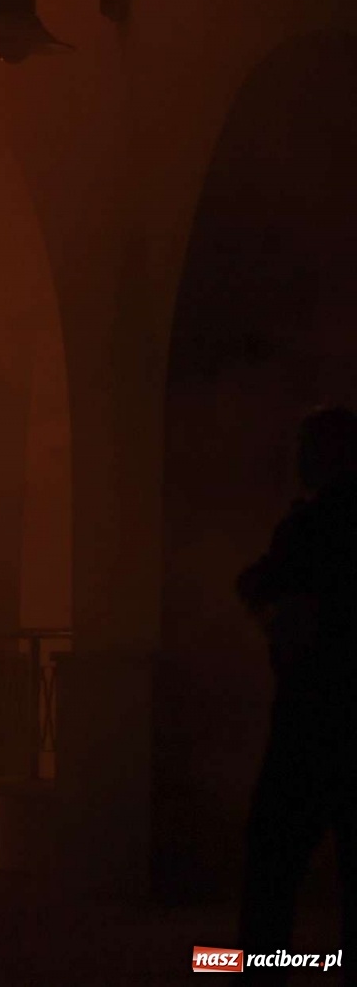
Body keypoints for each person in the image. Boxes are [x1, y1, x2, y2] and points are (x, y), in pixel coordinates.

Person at [236, 407, 357, 982]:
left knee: (272, 862)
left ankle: (263, 971)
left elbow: (259, 580)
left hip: (312, 724)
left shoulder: (313, 526)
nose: (299, 462)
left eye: (309, 450)